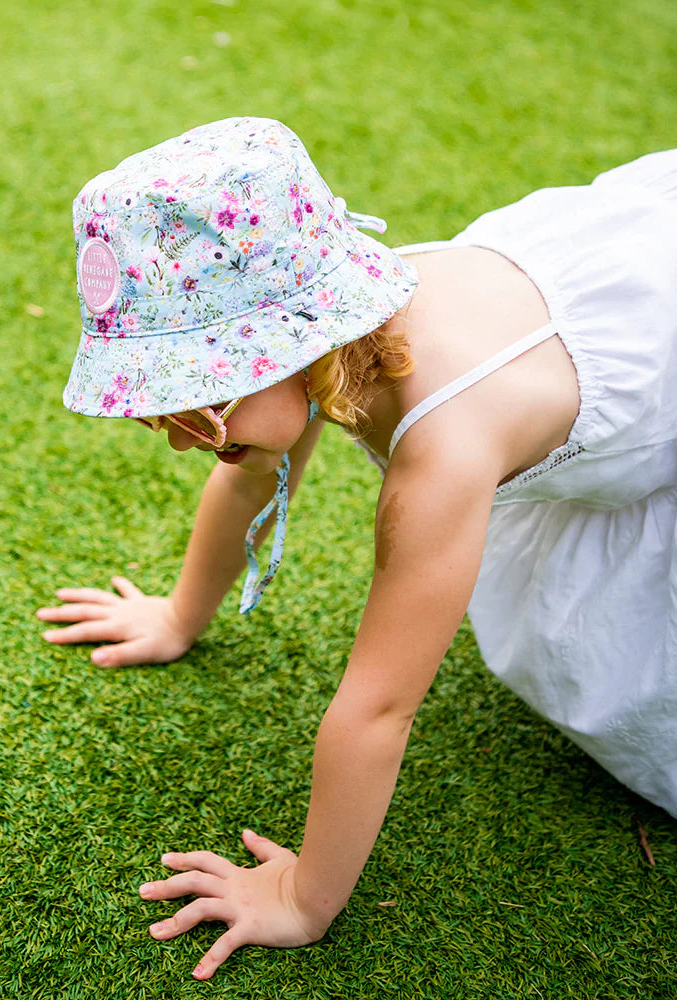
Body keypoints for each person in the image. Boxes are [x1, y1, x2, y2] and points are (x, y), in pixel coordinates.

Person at [36, 117, 677, 980]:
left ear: (296, 347)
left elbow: (377, 709)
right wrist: (181, 615)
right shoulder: (333, 350)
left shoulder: (446, 448)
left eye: (199, 402)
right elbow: (247, 475)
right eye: (161, 412)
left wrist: (303, 897)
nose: (184, 437)